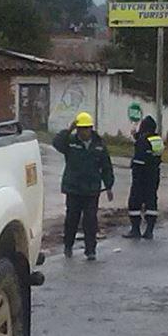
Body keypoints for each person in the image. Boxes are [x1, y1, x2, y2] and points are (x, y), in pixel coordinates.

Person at [52, 111, 114, 260]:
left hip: (91, 190)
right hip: (73, 189)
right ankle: (68, 246)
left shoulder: (99, 145)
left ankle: (90, 250)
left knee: (90, 220)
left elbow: (106, 166)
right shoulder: (70, 142)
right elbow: (56, 143)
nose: (84, 132)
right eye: (81, 129)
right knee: (71, 219)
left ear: (91, 128)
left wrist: (109, 186)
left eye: (86, 129)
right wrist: (69, 129)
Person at [126, 115, 164, 239]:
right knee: (151, 202)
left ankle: (135, 229)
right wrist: (137, 136)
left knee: (135, 202)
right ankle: (149, 230)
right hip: (153, 175)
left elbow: (139, 157)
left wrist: (133, 165)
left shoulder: (143, 141)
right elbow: (148, 146)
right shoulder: (157, 140)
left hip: (141, 175)